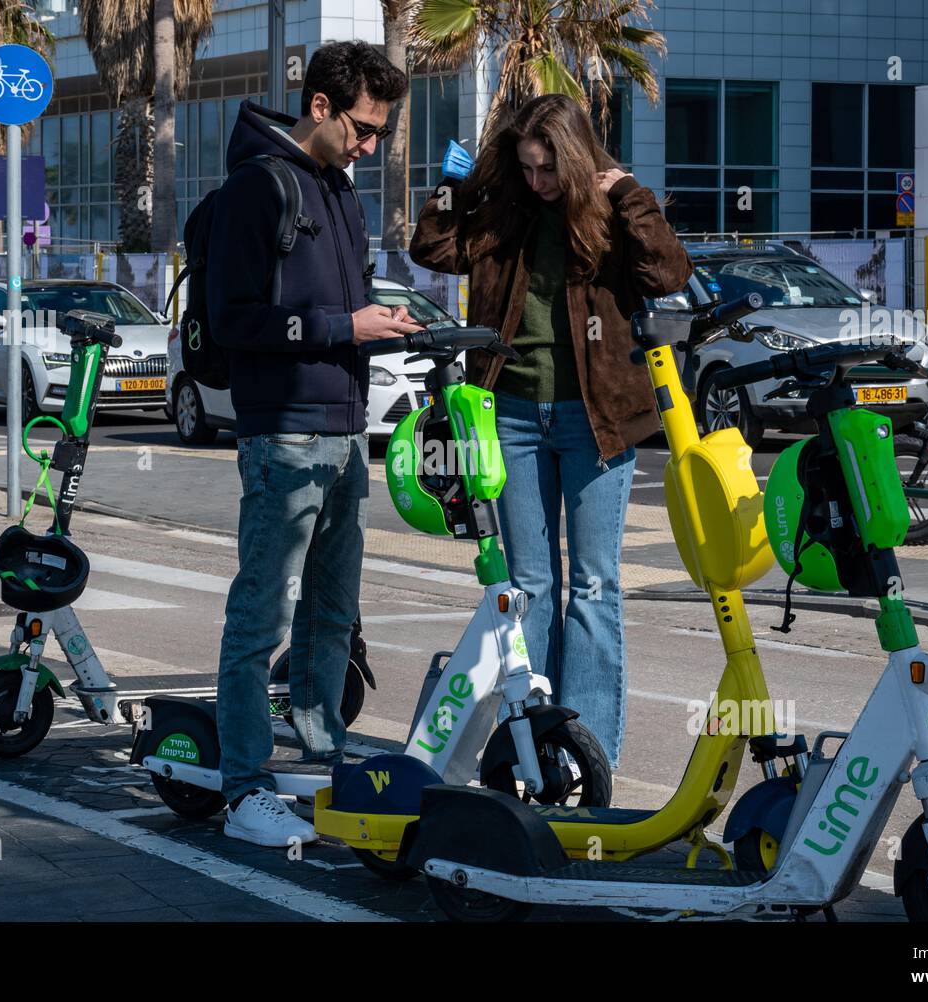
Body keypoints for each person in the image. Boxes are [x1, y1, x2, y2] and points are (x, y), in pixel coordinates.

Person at [410, 94, 693, 769]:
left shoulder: (609, 212)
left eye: (547, 169)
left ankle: (587, 751)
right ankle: (531, 744)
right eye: (528, 167)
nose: (538, 182)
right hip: (509, 412)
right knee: (530, 582)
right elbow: (432, 246)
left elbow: (669, 271)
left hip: (596, 420)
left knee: (595, 585)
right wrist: (455, 185)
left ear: (573, 158)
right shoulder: (505, 210)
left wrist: (626, 192)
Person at [206, 42, 418, 847]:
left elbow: (344, 307)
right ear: (321, 107)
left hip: (342, 429)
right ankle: (244, 789)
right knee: (261, 613)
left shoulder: (339, 192)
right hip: (282, 433)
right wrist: (342, 327)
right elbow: (234, 323)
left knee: (333, 613)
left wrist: (377, 324)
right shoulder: (256, 188)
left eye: (381, 134)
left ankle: (324, 751)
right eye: (365, 128)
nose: (372, 145)